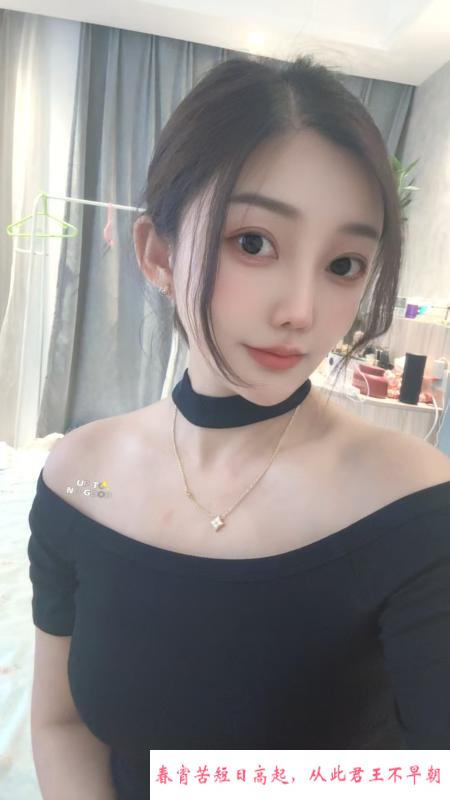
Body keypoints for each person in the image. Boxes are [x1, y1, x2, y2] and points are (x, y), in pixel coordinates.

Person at [28, 55, 450, 800]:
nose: (301, 311)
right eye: (253, 242)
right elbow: (62, 724)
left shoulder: (415, 505)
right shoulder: (79, 480)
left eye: (345, 264)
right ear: (158, 254)